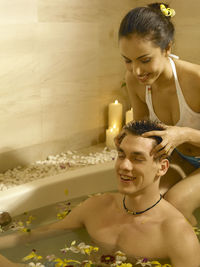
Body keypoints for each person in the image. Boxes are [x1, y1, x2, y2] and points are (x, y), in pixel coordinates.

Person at [0, 120, 199, 267]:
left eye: (137, 159)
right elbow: (36, 235)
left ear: (162, 168)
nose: (124, 166)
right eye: (121, 155)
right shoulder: (97, 206)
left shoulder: (176, 235)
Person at [118, 2, 200, 225]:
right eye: (127, 60)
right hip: (181, 159)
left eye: (145, 60)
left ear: (167, 49)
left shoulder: (196, 80)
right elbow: (142, 128)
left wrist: (183, 134)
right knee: (142, 201)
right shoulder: (134, 80)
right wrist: (128, 136)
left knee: (176, 203)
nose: (136, 71)